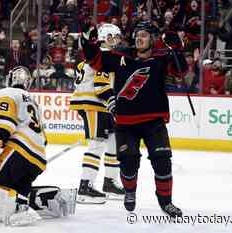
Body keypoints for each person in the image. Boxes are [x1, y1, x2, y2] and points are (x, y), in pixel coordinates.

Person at [80, 21, 187, 217]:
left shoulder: (161, 59)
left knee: (162, 161)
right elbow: (93, 59)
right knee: (128, 162)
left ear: (153, 39)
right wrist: (88, 41)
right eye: (137, 34)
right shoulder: (121, 57)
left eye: (144, 35)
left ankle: (166, 202)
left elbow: (181, 72)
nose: (139, 38)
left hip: (154, 121)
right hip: (126, 123)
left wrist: (177, 48)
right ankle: (130, 191)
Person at [0, 66, 76, 226]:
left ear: (10, 79)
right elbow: (43, 138)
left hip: (18, 152)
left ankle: (13, 204)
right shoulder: (32, 100)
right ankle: (25, 202)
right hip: (38, 160)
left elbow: (0, 126)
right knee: (14, 190)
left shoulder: (6, 93)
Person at [70, 23, 125, 204]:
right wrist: (113, 104)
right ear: (106, 37)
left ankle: (109, 183)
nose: (117, 41)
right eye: (114, 37)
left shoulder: (96, 55)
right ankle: (85, 188)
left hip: (98, 105)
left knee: (112, 143)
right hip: (94, 104)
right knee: (97, 144)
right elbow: (101, 86)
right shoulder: (105, 56)